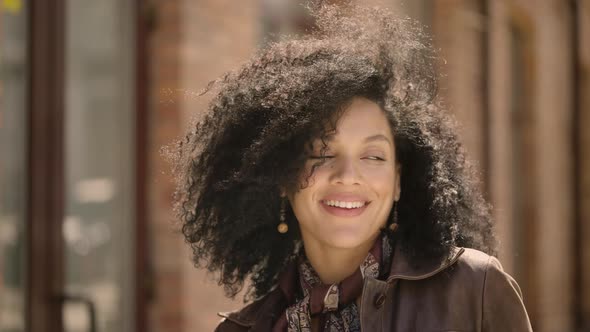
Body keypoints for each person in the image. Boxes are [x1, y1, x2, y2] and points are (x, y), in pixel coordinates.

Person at [170, 4, 532, 331]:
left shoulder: (474, 289)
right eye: (322, 154)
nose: (347, 175)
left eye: (373, 156)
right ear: (281, 176)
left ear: (400, 182)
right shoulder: (243, 330)